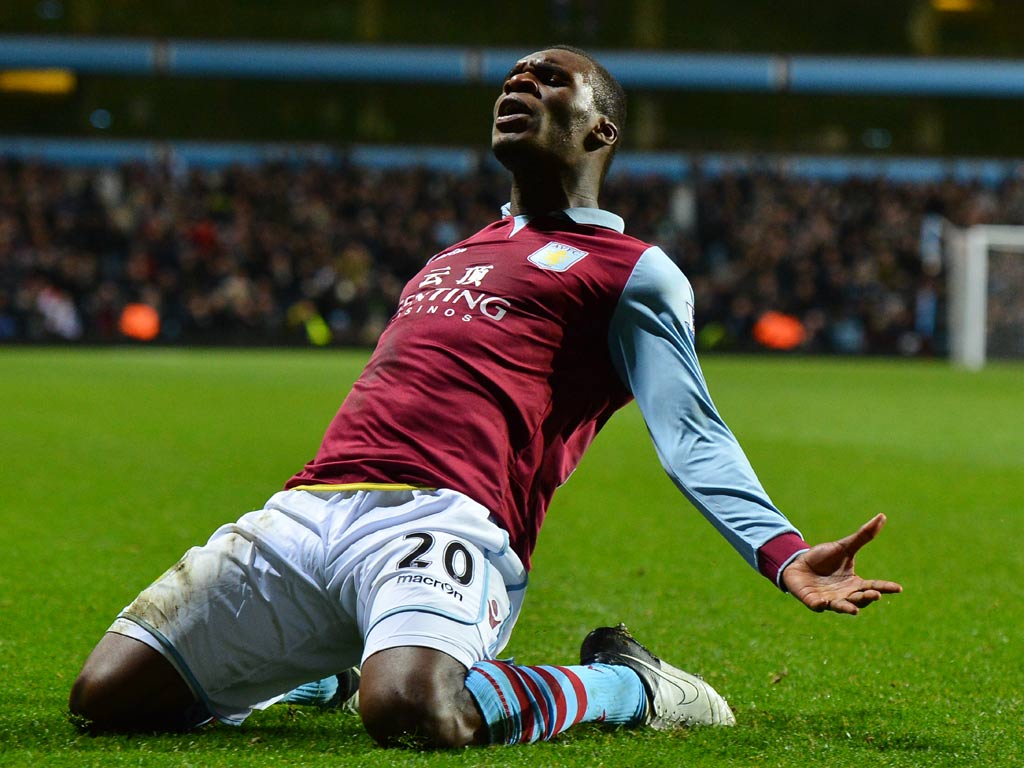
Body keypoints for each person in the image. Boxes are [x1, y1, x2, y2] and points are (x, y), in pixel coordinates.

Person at [69, 45, 902, 748]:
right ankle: (333, 664)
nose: (516, 85)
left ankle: (627, 687)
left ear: (599, 129)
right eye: (510, 79)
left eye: (545, 80)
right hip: (309, 508)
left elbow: (692, 432)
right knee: (107, 699)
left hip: (448, 518)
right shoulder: (451, 254)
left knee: (412, 710)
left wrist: (784, 552)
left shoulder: (632, 271)